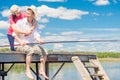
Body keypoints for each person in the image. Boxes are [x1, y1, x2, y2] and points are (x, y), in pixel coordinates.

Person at [13, 5, 48, 80]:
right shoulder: (20, 22)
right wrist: (21, 41)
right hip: (19, 44)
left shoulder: (35, 23)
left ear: (33, 15)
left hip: (31, 44)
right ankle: (27, 70)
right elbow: (14, 34)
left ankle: (41, 70)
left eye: (28, 13)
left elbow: (36, 35)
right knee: (30, 50)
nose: (26, 14)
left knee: (44, 51)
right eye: (26, 12)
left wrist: (39, 40)